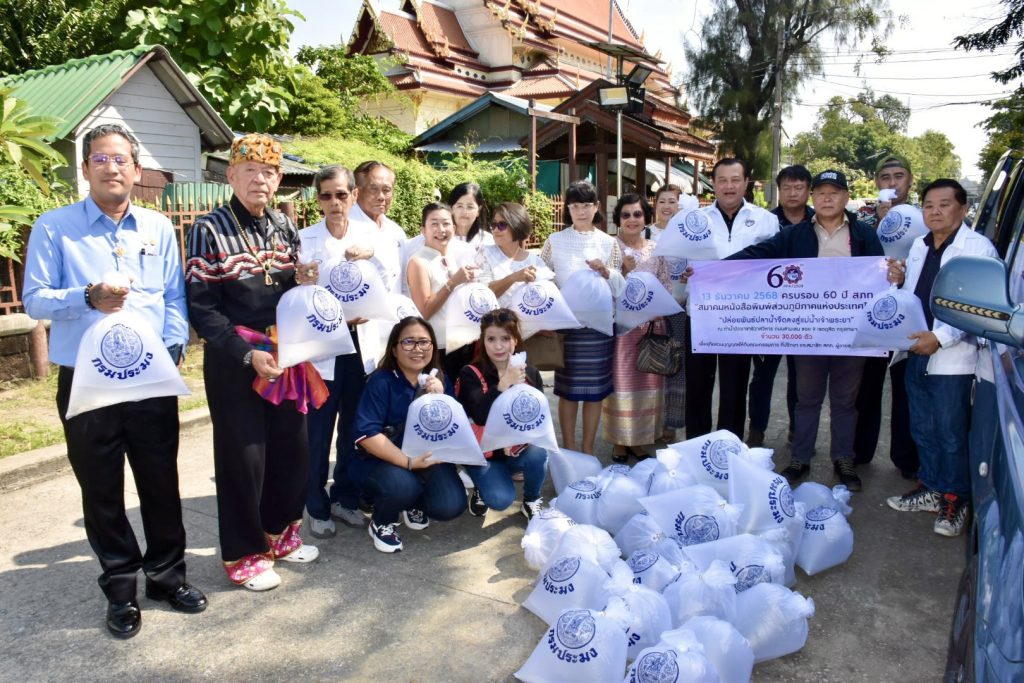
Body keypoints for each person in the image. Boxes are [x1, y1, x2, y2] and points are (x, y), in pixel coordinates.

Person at [23, 123, 206, 638]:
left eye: (121, 159)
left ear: (137, 169)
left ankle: (167, 578)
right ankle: (121, 589)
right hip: (87, 381)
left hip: (149, 378)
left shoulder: (157, 227)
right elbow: (35, 298)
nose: (112, 168)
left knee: (161, 482)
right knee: (101, 488)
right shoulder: (55, 228)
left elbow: (174, 297)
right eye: (100, 159)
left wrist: (172, 346)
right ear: (85, 169)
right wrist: (87, 296)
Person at [685, 170, 884, 491]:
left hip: (851, 332)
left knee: (845, 400)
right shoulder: (795, 235)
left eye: (834, 192)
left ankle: (843, 459)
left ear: (846, 197)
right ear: (813, 197)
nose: (827, 199)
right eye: (821, 193)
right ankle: (800, 458)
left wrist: (894, 274)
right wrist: (712, 271)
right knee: (806, 398)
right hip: (808, 332)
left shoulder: (863, 235)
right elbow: (757, 255)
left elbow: (880, 273)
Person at [186, 134, 319, 592]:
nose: (259, 179)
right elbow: (202, 307)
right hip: (235, 358)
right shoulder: (208, 228)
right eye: (249, 170)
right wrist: (245, 354)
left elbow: (289, 291)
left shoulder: (284, 225)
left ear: (279, 180)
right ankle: (245, 554)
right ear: (231, 175)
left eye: (268, 172)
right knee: (244, 458)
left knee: (291, 449)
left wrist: (302, 281)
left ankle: (280, 535)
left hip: (284, 354)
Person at [885, 179, 996, 536]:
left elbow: (978, 307)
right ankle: (932, 487)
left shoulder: (978, 249)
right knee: (923, 427)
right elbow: (913, 293)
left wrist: (941, 338)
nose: (935, 212)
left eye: (944, 204)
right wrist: (898, 281)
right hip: (916, 348)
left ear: (963, 209)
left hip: (953, 357)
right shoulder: (919, 245)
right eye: (929, 205)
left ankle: (954, 498)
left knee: (950, 432)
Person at [299, 165, 376, 538]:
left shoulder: (369, 235)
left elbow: (387, 282)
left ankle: (345, 498)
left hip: (361, 343)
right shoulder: (304, 239)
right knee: (318, 429)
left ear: (354, 196)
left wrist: (371, 254)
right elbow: (297, 296)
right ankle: (315, 505)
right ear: (318, 200)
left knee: (353, 427)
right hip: (323, 345)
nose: (334, 202)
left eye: (341, 195)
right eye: (326, 195)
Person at [354, 317, 467, 553]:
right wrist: (408, 462)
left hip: (426, 459)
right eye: (408, 342)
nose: (417, 349)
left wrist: (441, 399)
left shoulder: (439, 379)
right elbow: (367, 434)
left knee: (451, 506)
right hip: (383, 461)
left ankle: (413, 503)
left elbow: (455, 429)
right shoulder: (381, 380)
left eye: (424, 342)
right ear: (394, 349)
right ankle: (382, 521)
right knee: (403, 486)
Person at [685, 158, 779, 439]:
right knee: (698, 386)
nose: (729, 186)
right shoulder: (695, 221)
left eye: (735, 180)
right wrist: (683, 273)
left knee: (734, 388)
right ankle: (696, 445)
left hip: (741, 317)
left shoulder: (766, 220)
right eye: (722, 180)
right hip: (700, 314)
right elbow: (678, 261)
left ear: (746, 182)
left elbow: (775, 267)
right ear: (713, 184)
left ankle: (728, 447)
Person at [540, 180, 625, 454]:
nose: (581, 211)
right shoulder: (555, 241)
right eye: (575, 206)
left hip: (599, 328)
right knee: (567, 391)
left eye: (586, 205)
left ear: (596, 207)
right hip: (566, 327)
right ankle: (569, 449)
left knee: (594, 392)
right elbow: (543, 279)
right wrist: (548, 318)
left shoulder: (609, 243)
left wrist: (606, 272)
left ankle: (587, 450)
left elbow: (619, 287)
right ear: (568, 208)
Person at [854, 154, 919, 478]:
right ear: (876, 182)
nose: (892, 183)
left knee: (906, 389)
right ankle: (859, 452)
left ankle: (906, 459)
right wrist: (880, 222)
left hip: (908, 316)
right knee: (866, 386)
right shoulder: (862, 217)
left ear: (910, 180)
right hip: (870, 314)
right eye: (885, 177)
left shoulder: (923, 216)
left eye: (899, 176)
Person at [455, 309, 550, 520]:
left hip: (516, 450)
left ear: (515, 340)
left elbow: (538, 421)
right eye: (491, 339)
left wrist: (519, 441)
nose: (498, 346)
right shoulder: (470, 373)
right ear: (483, 341)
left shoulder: (530, 373)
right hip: (483, 453)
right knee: (499, 499)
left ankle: (531, 499)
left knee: (539, 452)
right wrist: (503, 384)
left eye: (505, 339)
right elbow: (480, 416)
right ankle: (482, 484)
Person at [747, 165, 812, 447]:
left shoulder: (820, 221)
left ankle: (798, 432)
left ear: (808, 191)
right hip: (769, 313)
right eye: (787, 188)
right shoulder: (764, 222)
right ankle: (756, 431)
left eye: (799, 187)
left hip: (808, 312)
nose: (793, 193)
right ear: (779, 190)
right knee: (762, 376)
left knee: (802, 378)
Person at [602, 193, 670, 461]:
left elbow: (665, 284)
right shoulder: (610, 247)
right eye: (626, 214)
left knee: (649, 385)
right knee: (621, 385)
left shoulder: (656, 249)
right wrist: (623, 271)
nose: (632, 219)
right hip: (621, 330)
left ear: (646, 218)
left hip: (652, 327)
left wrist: (658, 313)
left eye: (638, 214)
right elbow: (603, 289)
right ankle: (620, 441)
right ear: (618, 219)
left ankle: (639, 440)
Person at [406, 202, 479, 379]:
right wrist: (453, 282)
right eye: (434, 224)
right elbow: (424, 311)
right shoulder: (418, 262)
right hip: (438, 348)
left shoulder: (453, 258)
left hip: (464, 343)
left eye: (446, 223)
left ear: (454, 228)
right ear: (423, 230)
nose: (441, 229)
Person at [646, 184, 696, 442]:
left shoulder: (689, 235)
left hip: (678, 309)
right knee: (648, 366)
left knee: (676, 368)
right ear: (655, 205)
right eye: (662, 201)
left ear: (680, 205)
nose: (667, 206)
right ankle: (646, 423)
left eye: (672, 201)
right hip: (650, 310)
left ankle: (671, 424)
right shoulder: (646, 233)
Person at [401, 183, 485, 275]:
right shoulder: (425, 240)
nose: (465, 212)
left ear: (479, 210)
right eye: (459, 206)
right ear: (451, 208)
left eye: (470, 207)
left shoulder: (486, 242)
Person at [475, 202, 547, 307]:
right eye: (493, 225)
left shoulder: (536, 262)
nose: (495, 230)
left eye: (502, 225)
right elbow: (482, 295)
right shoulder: (483, 253)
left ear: (517, 226)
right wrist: (513, 278)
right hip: (495, 317)